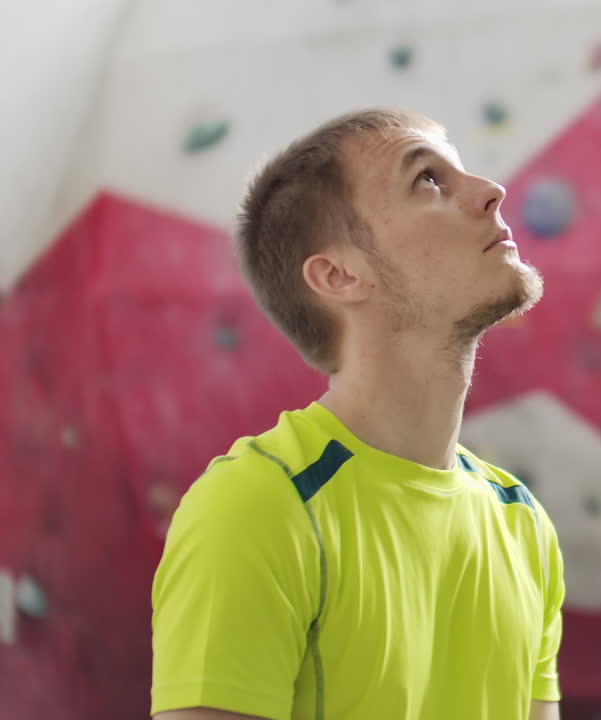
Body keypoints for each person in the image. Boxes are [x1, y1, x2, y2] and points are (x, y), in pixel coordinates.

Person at [150, 108, 564, 720]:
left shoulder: (522, 523)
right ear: (340, 275)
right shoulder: (258, 508)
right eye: (427, 180)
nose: (490, 191)